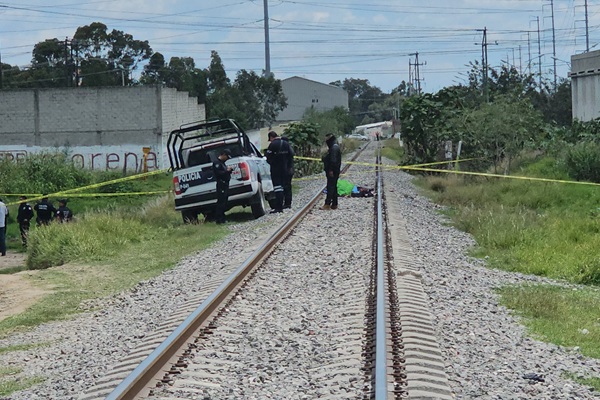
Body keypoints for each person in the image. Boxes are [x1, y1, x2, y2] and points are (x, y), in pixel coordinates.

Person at [266, 131, 293, 213]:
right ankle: (287, 203)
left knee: (278, 188)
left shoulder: (272, 144)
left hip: (276, 169)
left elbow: (268, 157)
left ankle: (279, 207)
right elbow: (291, 155)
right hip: (285, 169)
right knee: (285, 186)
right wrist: (288, 166)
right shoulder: (286, 143)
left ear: (271, 137)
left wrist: (272, 162)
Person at [321, 133, 342, 210]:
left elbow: (333, 160)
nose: (325, 140)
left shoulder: (333, 148)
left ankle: (327, 204)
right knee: (333, 187)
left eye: (326, 138)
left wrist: (330, 170)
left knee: (330, 187)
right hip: (334, 170)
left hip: (333, 171)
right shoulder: (334, 147)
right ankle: (334, 204)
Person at [212, 149, 233, 224]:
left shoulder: (222, 163)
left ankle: (223, 218)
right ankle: (219, 219)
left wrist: (229, 171)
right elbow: (219, 173)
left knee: (224, 202)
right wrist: (227, 171)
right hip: (221, 184)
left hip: (225, 184)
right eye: (227, 157)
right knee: (221, 202)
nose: (227, 159)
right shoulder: (217, 163)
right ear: (223, 155)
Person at [281, 136, 295, 209]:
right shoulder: (289, 148)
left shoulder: (286, 148)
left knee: (286, 186)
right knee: (288, 186)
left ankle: (287, 203)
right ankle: (287, 202)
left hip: (287, 170)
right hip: (290, 169)